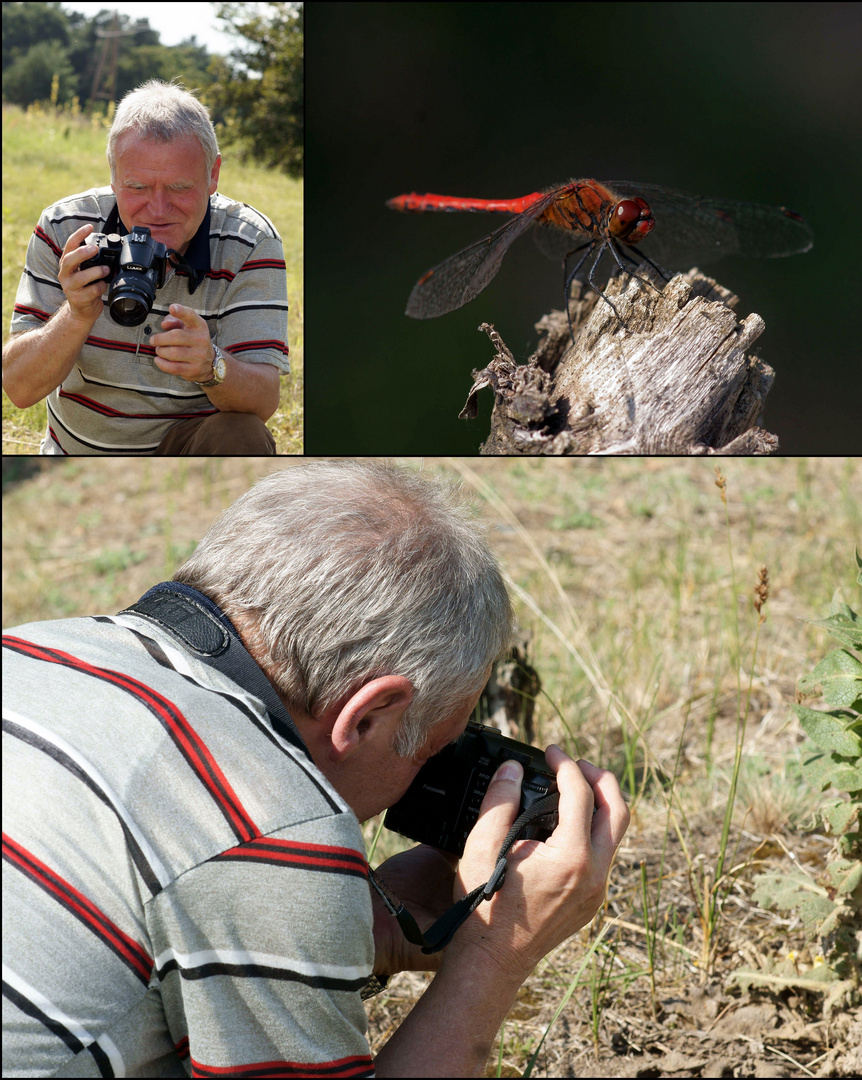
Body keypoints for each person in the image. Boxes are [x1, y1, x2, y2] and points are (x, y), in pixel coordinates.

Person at [1, 461, 630, 1076]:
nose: (425, 773)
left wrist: (364, 930)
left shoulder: (31, 647)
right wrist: (494, 954)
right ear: (365, 716)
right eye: (431, 749)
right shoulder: (269, 825)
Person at [3, 79, 288, 454]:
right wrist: (75, 315)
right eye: (137, 187)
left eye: (178, 188)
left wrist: (211, 365)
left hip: (186, 451)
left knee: (241, 435)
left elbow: (263, 403)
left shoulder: (249, 241)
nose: (157, 209)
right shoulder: (68, 227)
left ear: (213, 174)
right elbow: (19, 389)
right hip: (77, 458)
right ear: (113, 175)